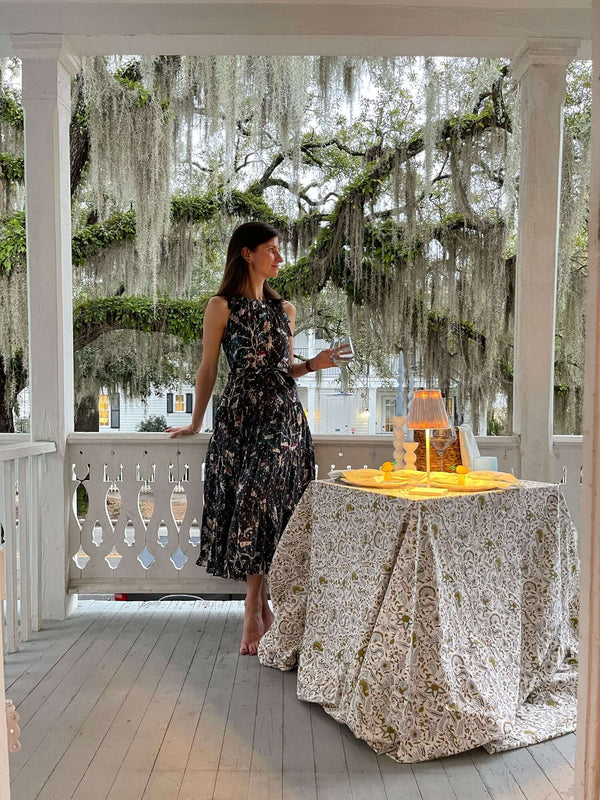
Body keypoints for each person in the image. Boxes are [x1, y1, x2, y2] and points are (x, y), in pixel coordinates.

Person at [166, 221, 343, 655]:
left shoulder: (286, 310)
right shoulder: (220, 306)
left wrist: (313, 364)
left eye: (279, 251)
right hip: (241, 416)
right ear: (247, 253)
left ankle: (252, 605)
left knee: (265, 498)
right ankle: (258, 604)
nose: (279, 258)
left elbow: (282, 369)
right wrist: (195, 421)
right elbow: (208, 368)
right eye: (272, 250)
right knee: (249, 502)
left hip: (282, 417)